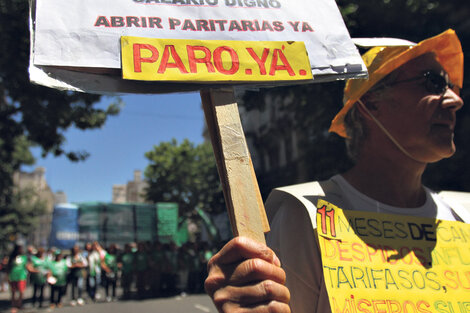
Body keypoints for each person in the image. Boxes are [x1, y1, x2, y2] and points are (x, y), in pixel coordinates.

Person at [205, 29, 467, 313]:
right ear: (371, 103)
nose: (456, 100)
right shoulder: (306, 215)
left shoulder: (463, 215)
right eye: (433, 83)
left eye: (452, 86)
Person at [6, 244, 33, 313]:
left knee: (21, 291)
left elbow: (27, 266)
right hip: (13, 276)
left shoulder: (24, 257)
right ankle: (13, 305)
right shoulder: (12, 258)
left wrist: (35, 270)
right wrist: (7, 276)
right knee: (13, 291)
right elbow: (8, 267)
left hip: (21, 276)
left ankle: (19, 304)